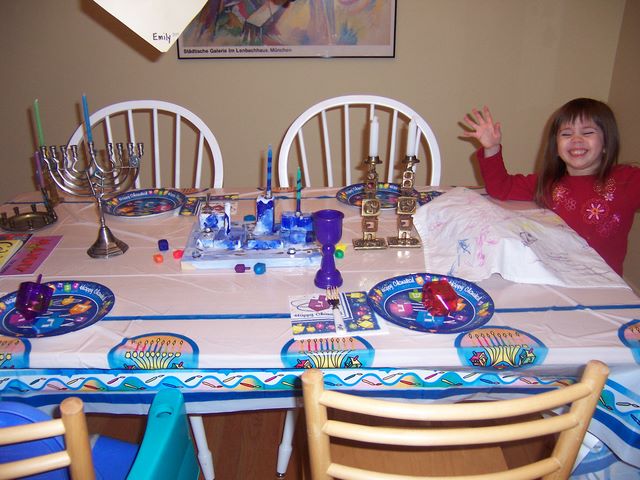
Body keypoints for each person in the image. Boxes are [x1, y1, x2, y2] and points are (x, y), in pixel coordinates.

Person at [461, 98, 640, 276]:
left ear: (606, 143)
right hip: (554, 276)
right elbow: (501, 187)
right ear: (556, 146)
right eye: (566, 134)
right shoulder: (548, 183)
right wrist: (492, 148)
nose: (576, 139)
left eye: (587, 132)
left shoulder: (627, 180)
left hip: (603, 284)